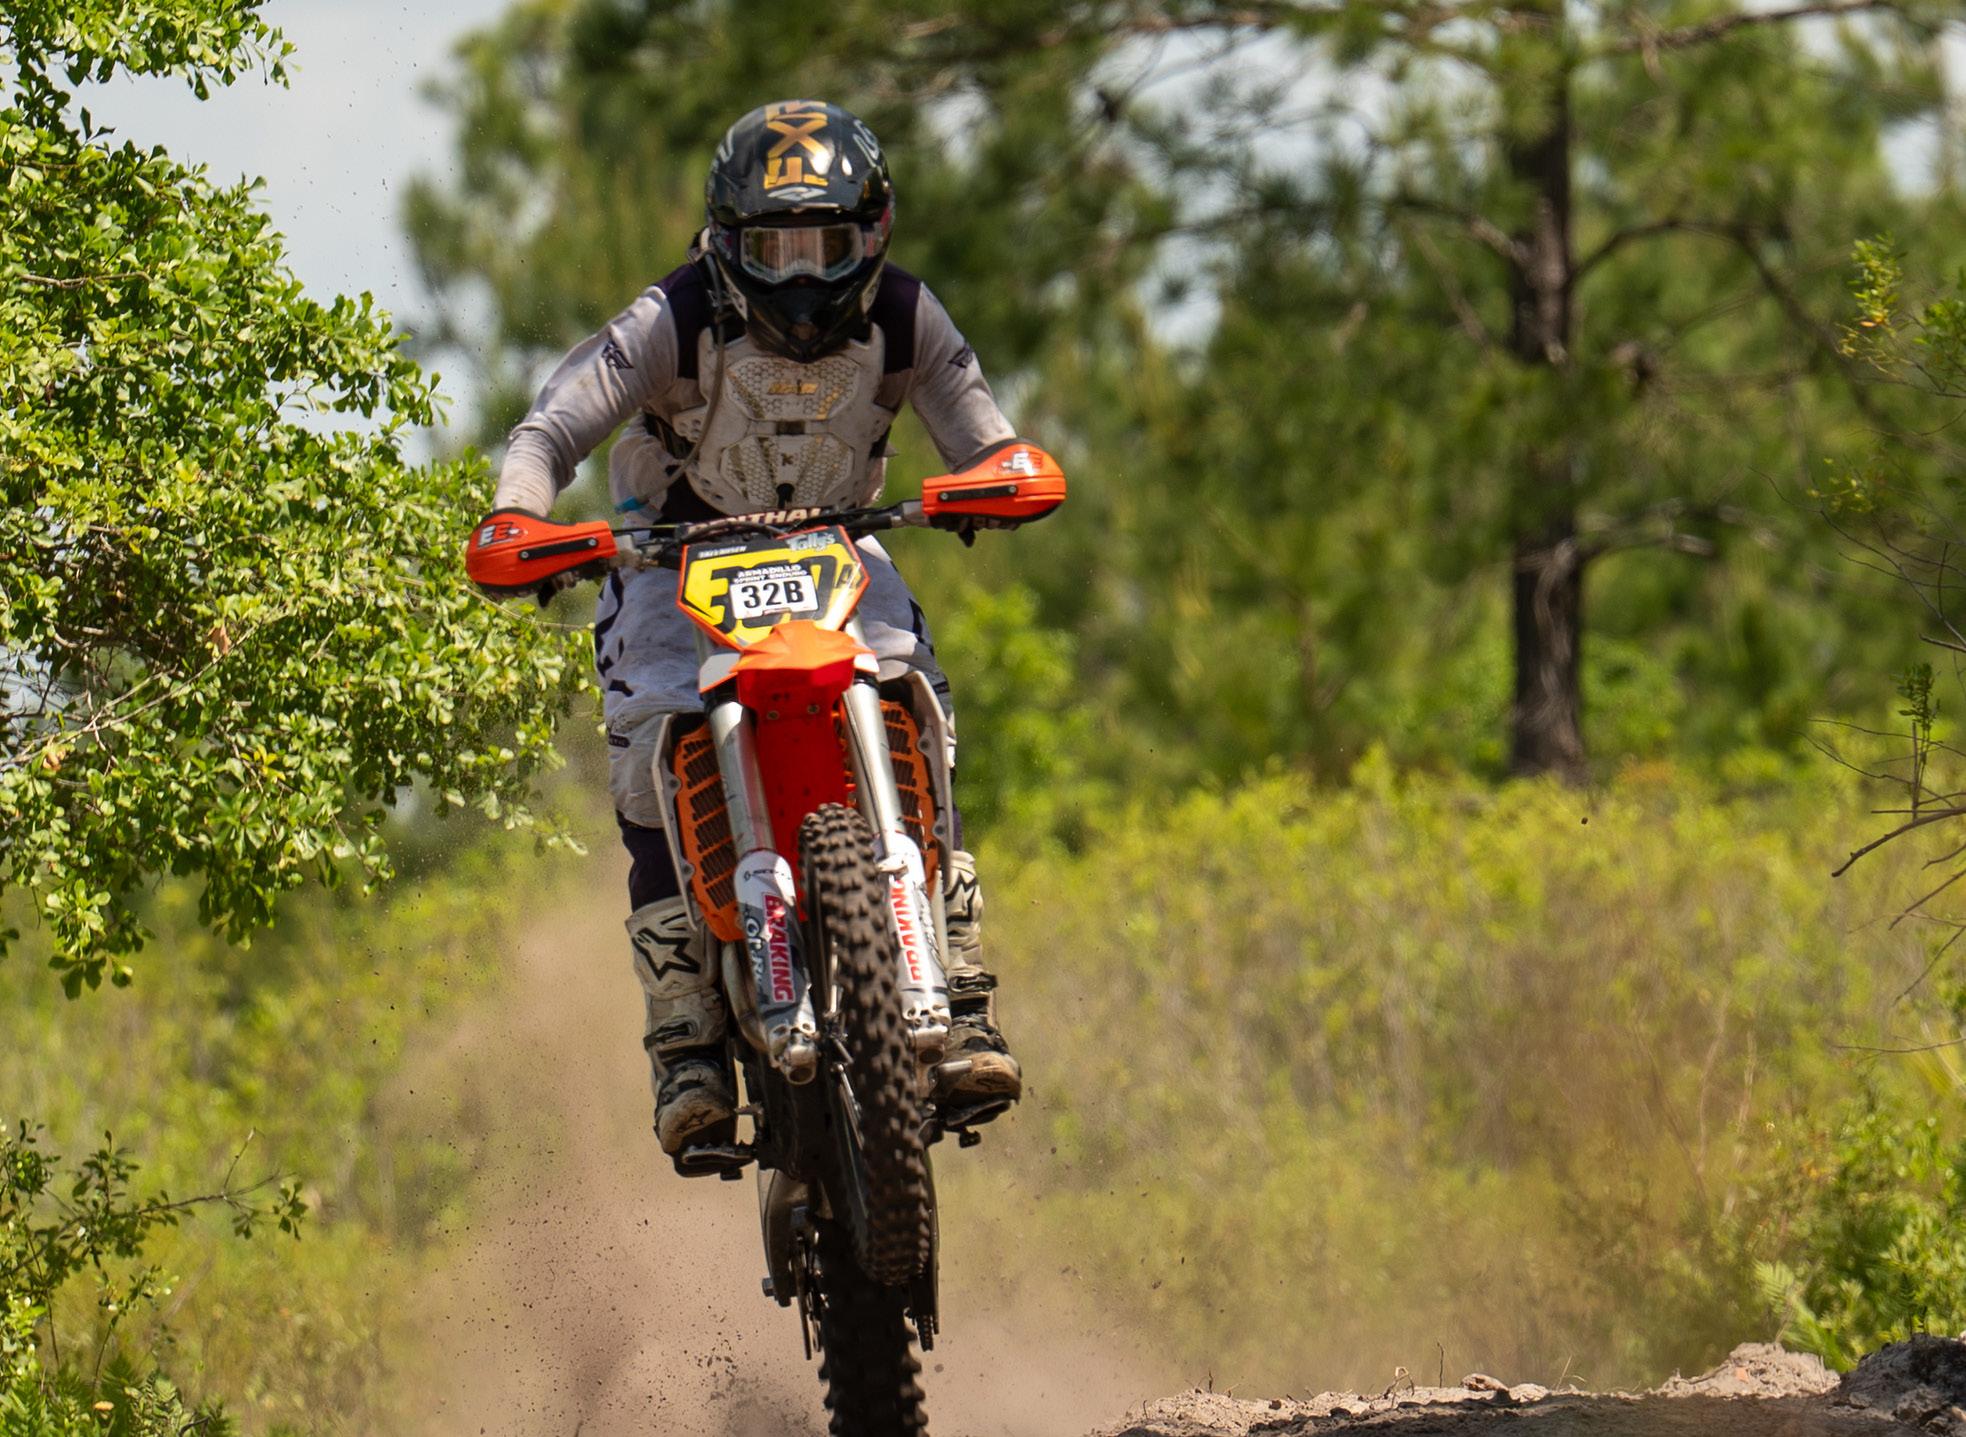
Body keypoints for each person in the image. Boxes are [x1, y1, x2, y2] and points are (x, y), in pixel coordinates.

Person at [479, 99, 1027, 1161]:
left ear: (873, 234)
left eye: (827, 246)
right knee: (649, 741)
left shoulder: (907, 315)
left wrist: (1001, 476)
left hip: (837, 548)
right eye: (775, 251)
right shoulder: (671, 319)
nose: (802, 278)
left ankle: (958, 984)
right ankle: (683, 1031)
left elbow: (987, 438)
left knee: (919, 698)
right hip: (670, 560)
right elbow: (550, 427)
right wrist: (522, 513)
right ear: (727, 243)